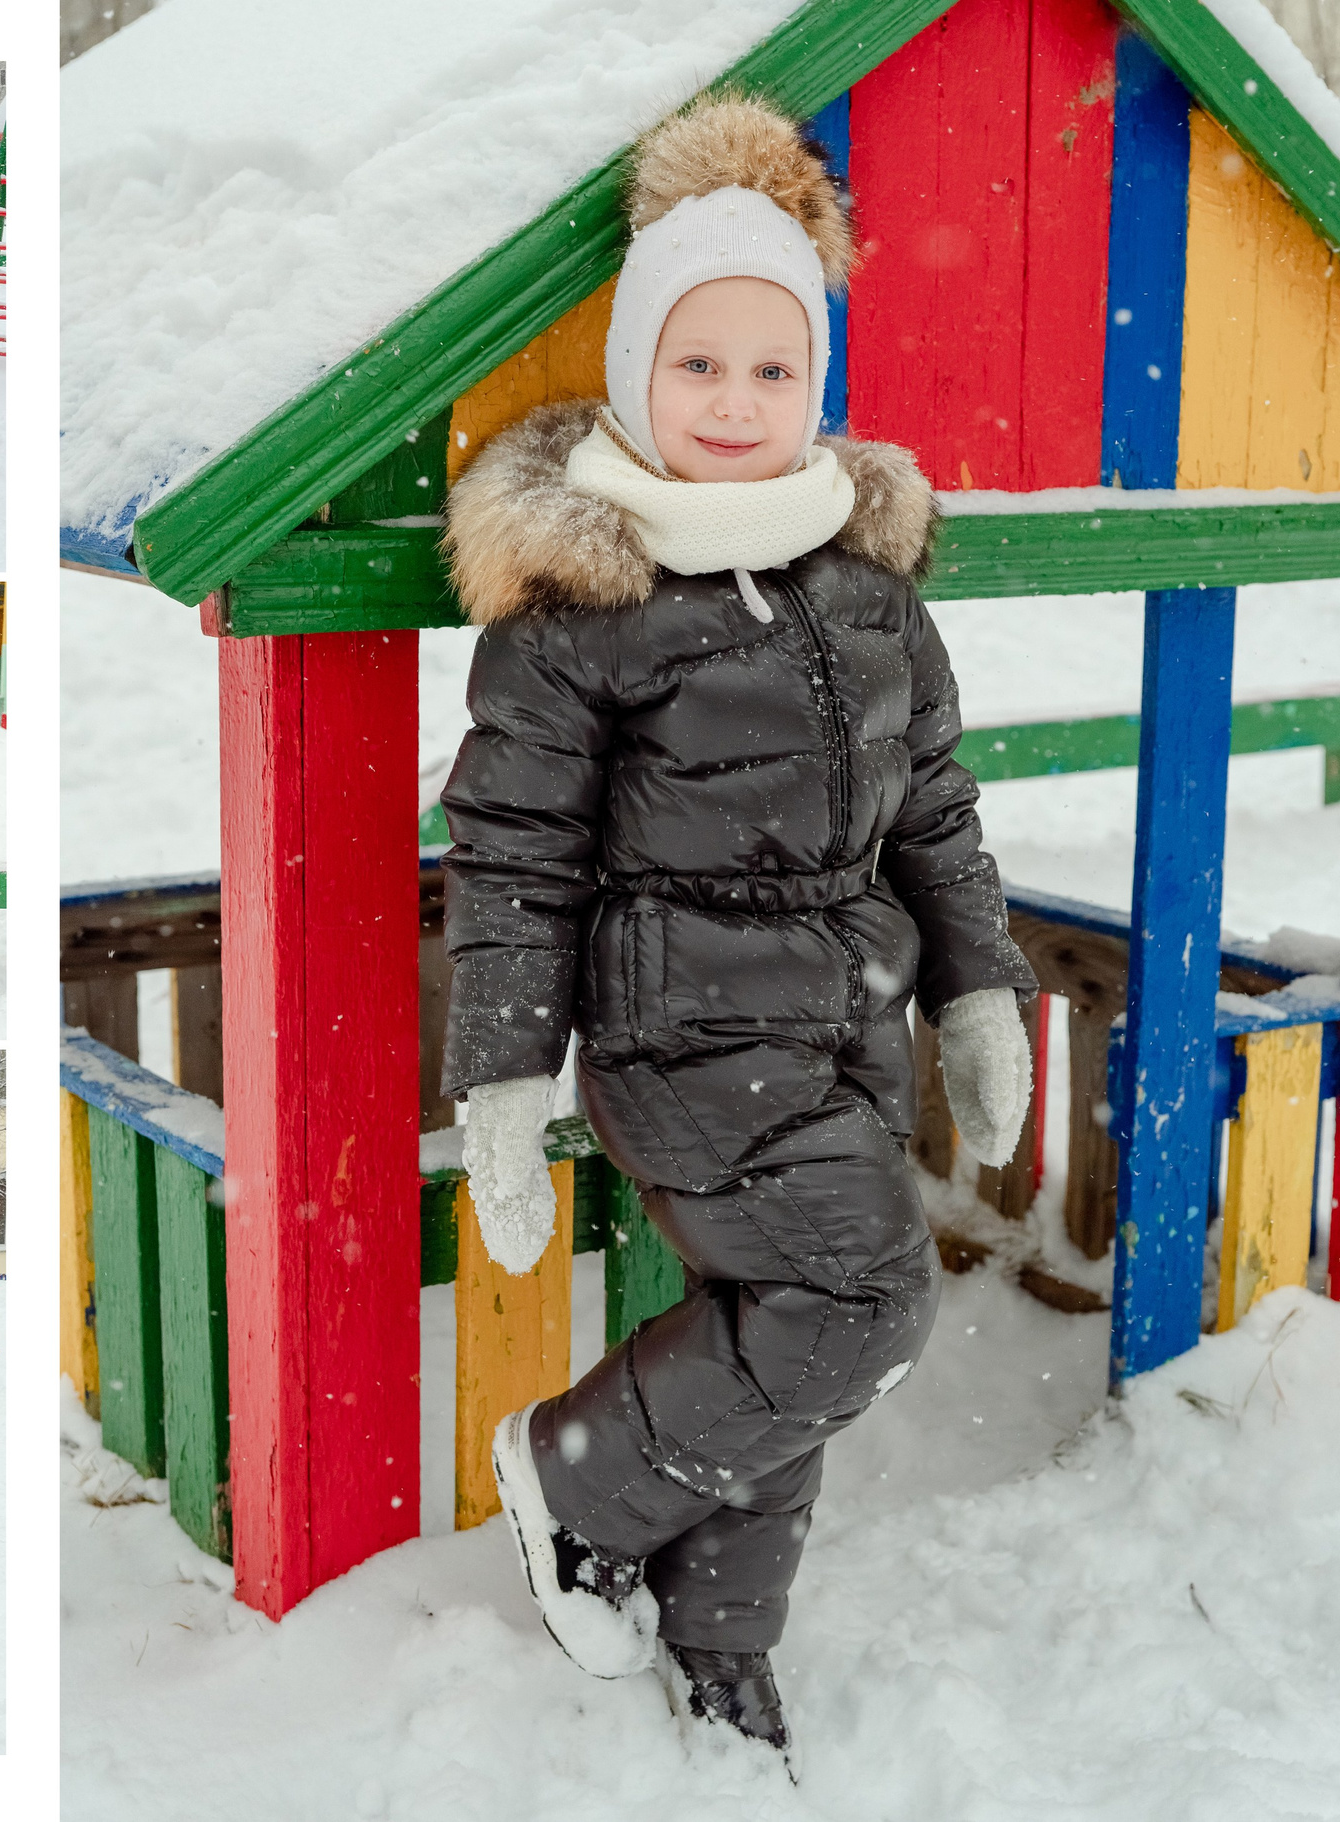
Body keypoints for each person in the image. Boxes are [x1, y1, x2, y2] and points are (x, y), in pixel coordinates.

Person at [434, 97, 1040, 1770]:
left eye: (773, 367)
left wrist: (981, 988)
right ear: (638, 372)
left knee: (789, 1323)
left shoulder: (864, 580)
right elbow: (514, 855)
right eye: (697, 363)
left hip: (848, 1018)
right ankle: (575, 1476)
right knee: (862, 1300)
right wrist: (503, 1078)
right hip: (682, 1029)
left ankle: (722, 1642)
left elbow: (935, 809)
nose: (734, 399)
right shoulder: (588, 604)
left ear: (815, 382)